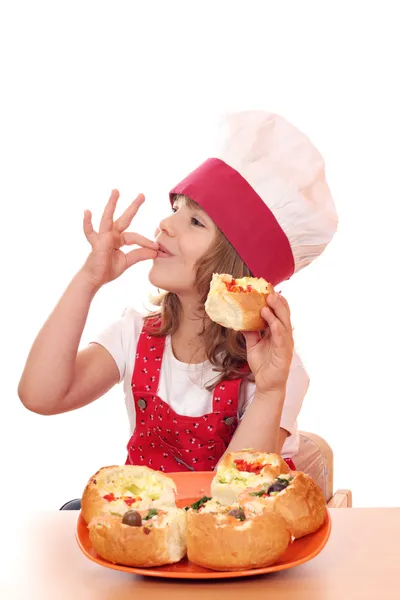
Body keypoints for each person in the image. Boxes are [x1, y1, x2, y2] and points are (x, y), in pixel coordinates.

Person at [18, 110, 338, 476]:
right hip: (147, 527)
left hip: (227, 525)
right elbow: (40, 395)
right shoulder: (135, 333)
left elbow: (237, 497)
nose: (165, 225)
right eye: (175, 209)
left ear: (237, 266)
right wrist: (88, 280)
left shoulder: (276, 368)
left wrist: (268, 391)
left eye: (195, 221)